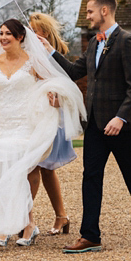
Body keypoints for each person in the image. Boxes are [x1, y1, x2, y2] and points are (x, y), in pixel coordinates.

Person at [0, 18, 84, 248]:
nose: (2, 38)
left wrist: (53, 96)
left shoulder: (33, 62)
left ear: (20, 37)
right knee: (3, 172)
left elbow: (55, 82)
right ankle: (25, 224)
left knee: (20, 173)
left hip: (27, 124)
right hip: (2, 125)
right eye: (1, 34)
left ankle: (7, 228)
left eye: (8, 34)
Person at [49, 0, 131, 253]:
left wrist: (121, 118)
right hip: (96, 125)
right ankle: (90, 235)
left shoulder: (127, 41)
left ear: (105, 11)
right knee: (91, 177)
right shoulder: (94, 43)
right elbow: (76, 72)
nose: (87, 16)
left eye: (90, 12)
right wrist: (49, 51)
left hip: (123, 126)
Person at [28, 12, 77, 236]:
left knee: (40, 166)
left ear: (43, 33)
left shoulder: (54, 56)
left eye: (32, 29)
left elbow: (68, 83)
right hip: (34, 114)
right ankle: (61, 216)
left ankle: (25, 219)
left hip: (52, 115)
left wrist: (58, 98)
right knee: (43, 169)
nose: (28, 32)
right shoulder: (27, 54)